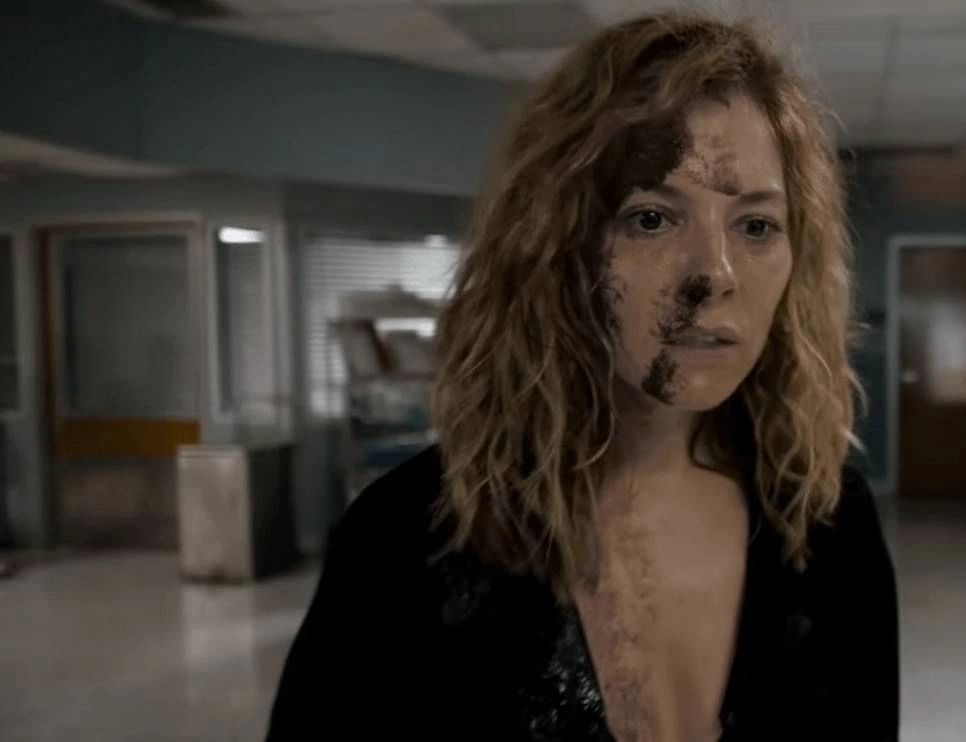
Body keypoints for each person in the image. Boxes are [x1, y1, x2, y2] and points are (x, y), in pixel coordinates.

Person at [267, 11, 898, 742]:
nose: (715, 275)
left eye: (756, 226)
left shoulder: (828, 524)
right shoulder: (405, 538)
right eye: (652, 218)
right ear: (556, 247)